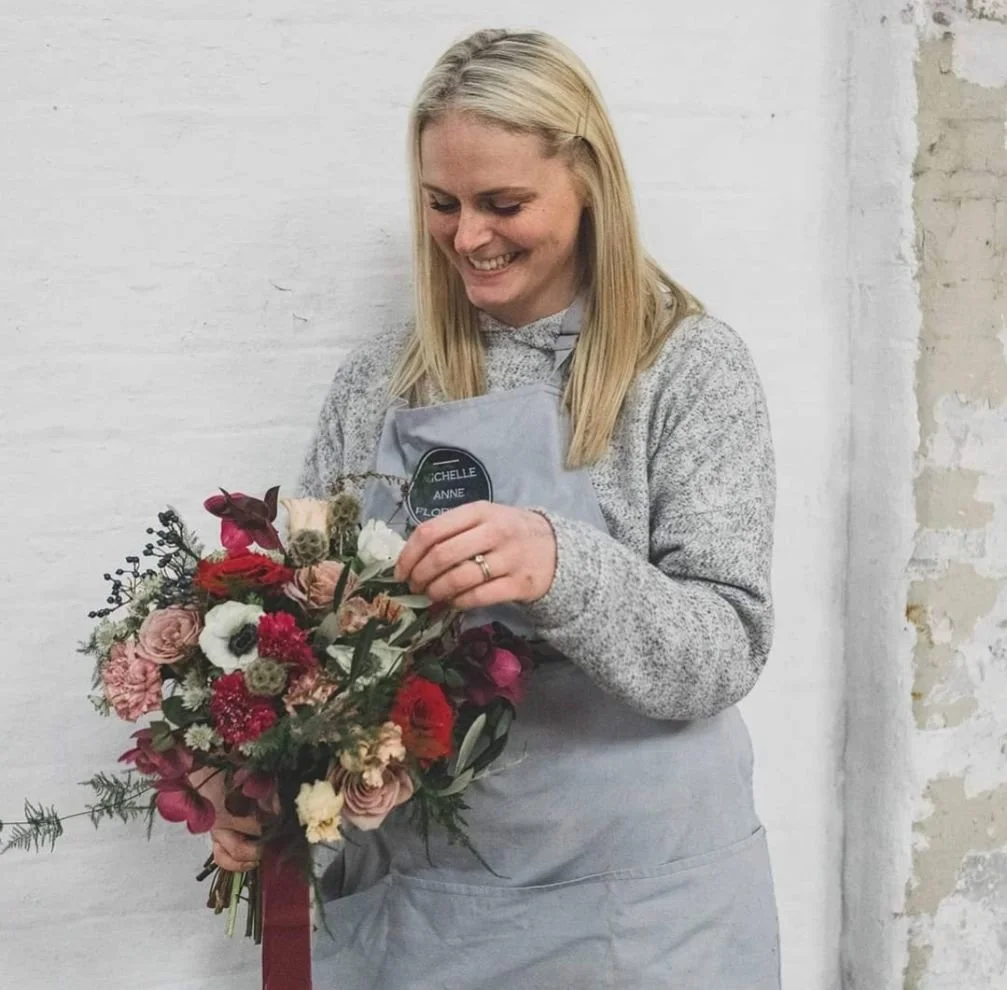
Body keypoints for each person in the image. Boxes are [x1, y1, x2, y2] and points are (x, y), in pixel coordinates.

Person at [211, 27, 780, 989]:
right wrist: (260, 777)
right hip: (428, 906)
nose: (468, 236)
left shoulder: (687, 369)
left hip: (639, 912)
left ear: (589, 180)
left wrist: (563, 563)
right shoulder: (378, 385)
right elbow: (306, 635)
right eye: (442, 204)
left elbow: (726, 648)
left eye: (504, 203)